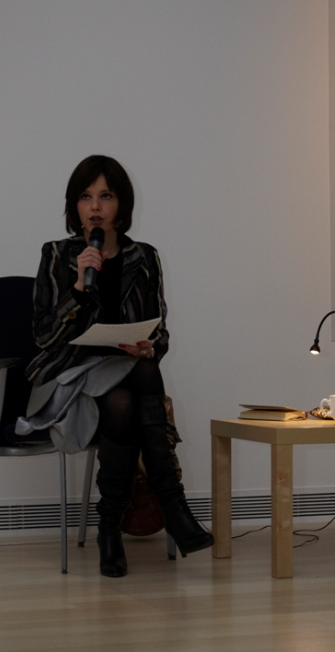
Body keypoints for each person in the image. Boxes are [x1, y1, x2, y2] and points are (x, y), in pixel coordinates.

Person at [16, 154, 214, 577]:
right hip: (69, 373)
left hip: (124, 373)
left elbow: (159, 330)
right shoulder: (57, 255)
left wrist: (148, 347)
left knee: (128, 391)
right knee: (131, 387)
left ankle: (110, 531)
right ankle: (173, 508)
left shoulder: (145, 257)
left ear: (121, 204)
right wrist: (76, 288)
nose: (95, 206)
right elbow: (44, 337)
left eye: (105, 196)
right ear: (74, 205)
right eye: (85, 197)